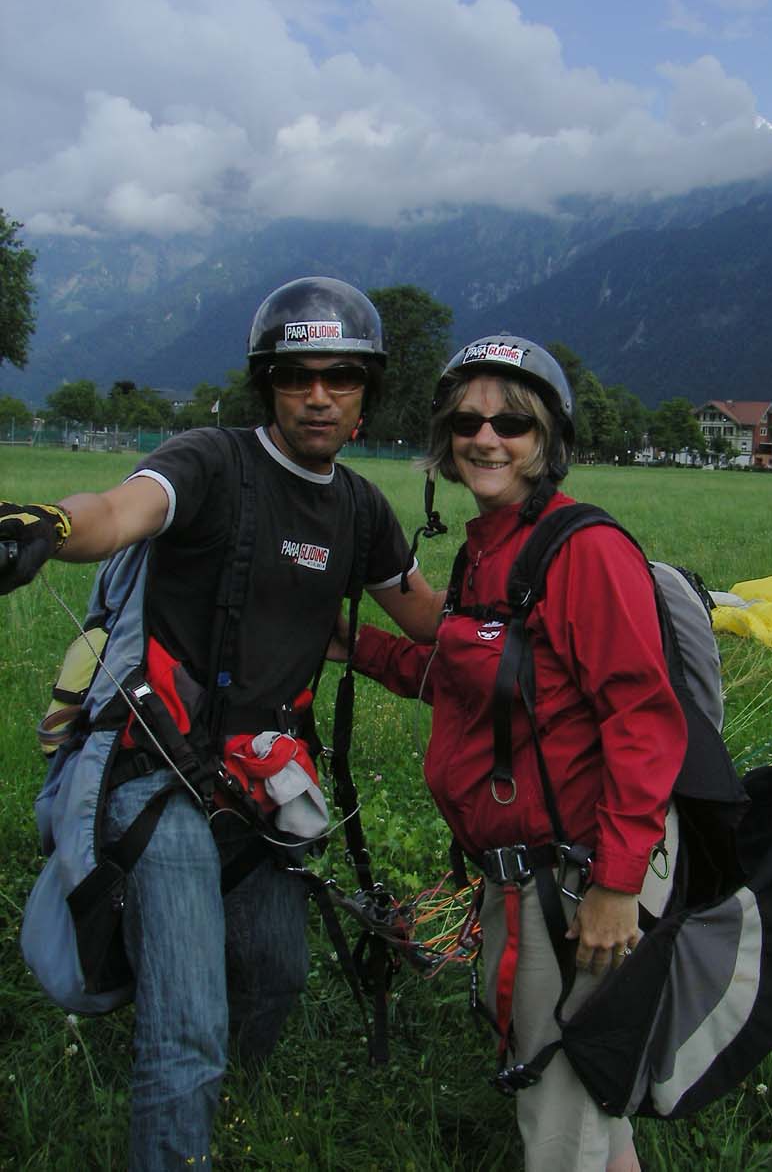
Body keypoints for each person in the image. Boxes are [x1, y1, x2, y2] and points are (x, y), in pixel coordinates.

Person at [0, 277, 443, 1171]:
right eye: (297, 375)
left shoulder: (361, 511)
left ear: (366, 393)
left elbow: (434, 624)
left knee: (275, 973)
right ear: (268, 384)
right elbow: (123, 511)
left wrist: (562, 602)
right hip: (157, 772)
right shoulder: (209, 460)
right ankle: (181, 1072)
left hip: (261, 790)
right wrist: (51, 521)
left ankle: (205, 1085)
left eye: (341, 377)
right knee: (190, 1026)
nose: (319, 394)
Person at [341, 335, 688, 1172]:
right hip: (525, 871)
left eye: (513, 423)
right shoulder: (486, 551)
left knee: (556, 1098)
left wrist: (614, 884)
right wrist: (347, 643)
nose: (485, 437)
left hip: (576, 875)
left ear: (547, 440)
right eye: (467, 419)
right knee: (585, 1083)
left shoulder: (584, 550)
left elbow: (642, 718)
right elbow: (465, 677)